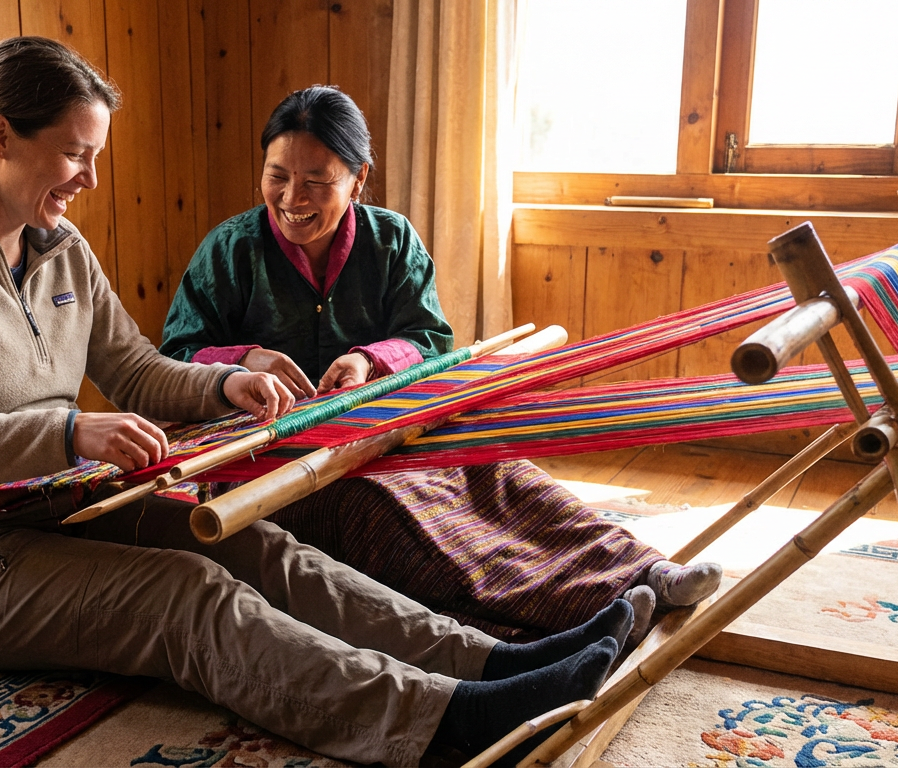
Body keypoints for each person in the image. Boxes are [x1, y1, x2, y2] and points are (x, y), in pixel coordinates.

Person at [0, 37, 633, 765]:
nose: (91, 178)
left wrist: (227, 382)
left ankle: (490, 662)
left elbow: (139, 371)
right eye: (76, 154)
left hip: (48, 507)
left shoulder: (61, 250)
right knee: (187, 594)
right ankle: (446, 722)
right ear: (1, 137)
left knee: (253, 545)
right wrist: (71, 431)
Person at [161, 86, 724, 643]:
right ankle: (582, 616)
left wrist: (367, 360)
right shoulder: (230, 249)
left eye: (316, 180)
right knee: (394, 513)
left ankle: (645, 572)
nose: (291, 197)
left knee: (492, 468)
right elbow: (173, 357)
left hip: (385, 427)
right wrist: (242, 365)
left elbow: (430, 339)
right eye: (277, 175)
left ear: (358, 179)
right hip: (270, 465)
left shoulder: (391, 241)